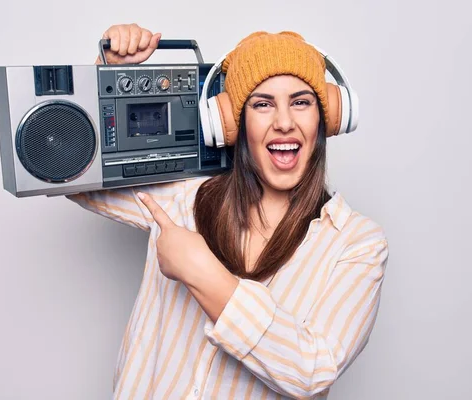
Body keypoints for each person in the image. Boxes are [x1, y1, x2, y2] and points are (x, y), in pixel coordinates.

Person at [67, 23, 389, 400]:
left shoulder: (357, 243)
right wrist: (108, 75)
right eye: (262, 104)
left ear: (327, 119)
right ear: (232, 124)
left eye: (301, 102)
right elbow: (74, 177)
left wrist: (200, 271)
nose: (284, 122)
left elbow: (312, 371)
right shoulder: (181, 198)